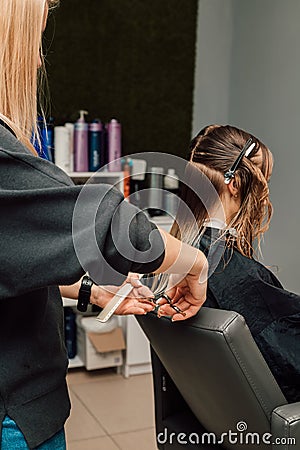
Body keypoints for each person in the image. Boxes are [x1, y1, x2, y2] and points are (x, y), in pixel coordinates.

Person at [0, 1, 209, 449]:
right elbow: (113, 223)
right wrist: (194, 262)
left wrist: (91, 291)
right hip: (12, 416)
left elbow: (9, 258)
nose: (37, 58)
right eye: (34, 37)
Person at [158, 124, 300, 403]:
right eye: (262, 183)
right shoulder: (237, 273)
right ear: (235, 184)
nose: (263, 195)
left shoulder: (177, 255)